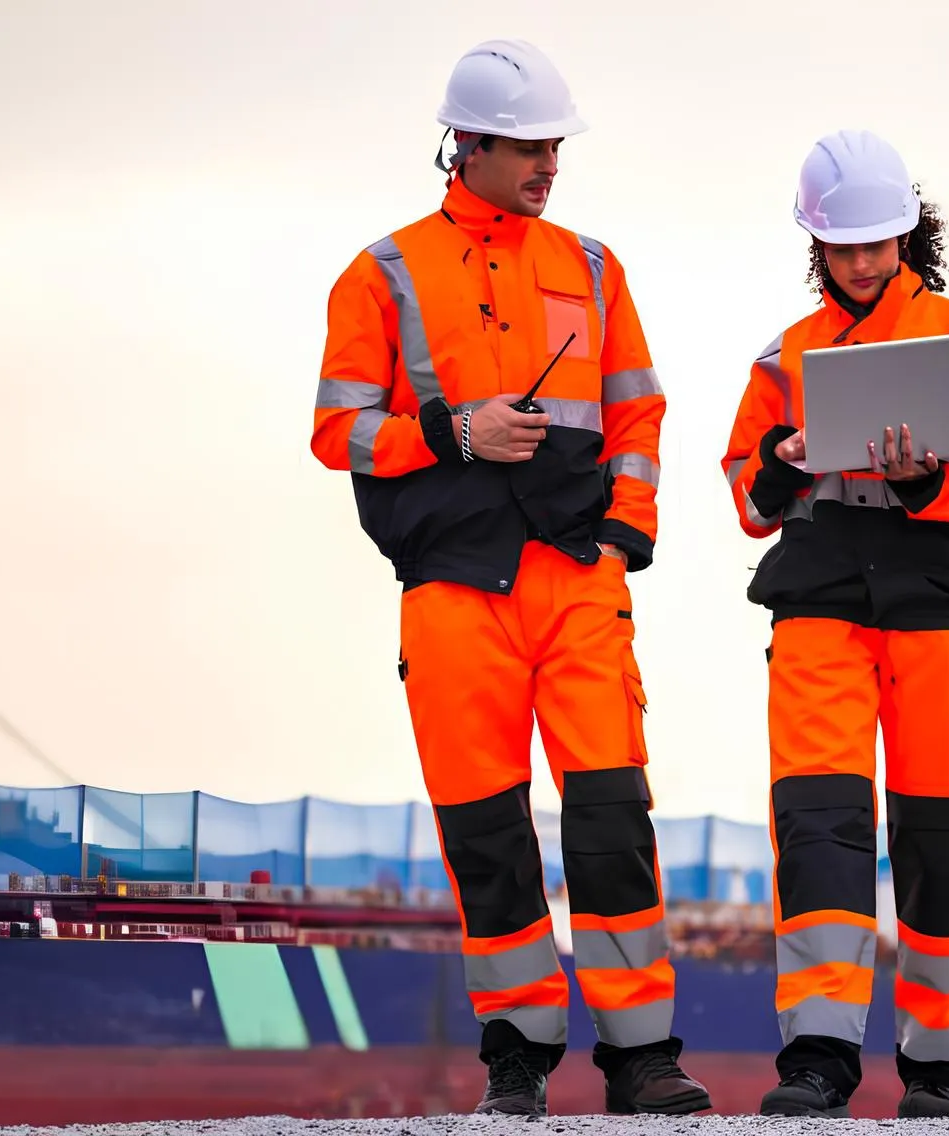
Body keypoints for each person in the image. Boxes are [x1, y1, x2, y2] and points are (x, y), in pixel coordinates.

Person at [309, 38, 709, 1119]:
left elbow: (638, 411)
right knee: (483, 829)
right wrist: (454, 429)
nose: (548, 163)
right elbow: (338, 431)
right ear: (466, 145)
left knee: (614, 813)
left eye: (555, 145)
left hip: (578, 579)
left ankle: (642, 1055)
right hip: (451, 588)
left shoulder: (592, 266)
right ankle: (519, 1054)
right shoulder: (382, 272)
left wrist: (626, 534)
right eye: (529, 145)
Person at [718, 128, 949, 1120]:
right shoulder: (784, 359)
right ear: (817, 246)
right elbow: (747, 495)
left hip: (941, 612)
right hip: (820, 615)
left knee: (945, 839)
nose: (861, 262)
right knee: (819, 835)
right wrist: (785, 455)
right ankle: (817, 1057)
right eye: (844, 246)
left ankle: (934, 1068)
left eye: (878, 242)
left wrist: (925, 475)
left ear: (907, 235)